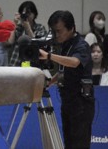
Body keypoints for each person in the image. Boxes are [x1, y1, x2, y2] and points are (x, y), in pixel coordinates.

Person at [39, 10, 94, 149]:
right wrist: (50, 81)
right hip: (68, 102)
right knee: (69, 143)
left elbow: (74, 62)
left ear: (72, 28)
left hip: (81, 103)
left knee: (79, 144)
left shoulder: (81, 45)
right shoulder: (65, 44)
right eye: (54, 31)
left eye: (59, 31)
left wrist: (49, 56)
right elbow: (64, 69)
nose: (56, 35)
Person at [8, 1, 47, 66]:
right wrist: (14, 24)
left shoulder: (40, 27)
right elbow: (10, 42)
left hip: (33, 64)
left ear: (34, 14)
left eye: (28, 13)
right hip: (16, 63)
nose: (26, 16)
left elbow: (38, 44)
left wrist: (28, 28)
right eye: (23, 13)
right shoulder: (19, 27)